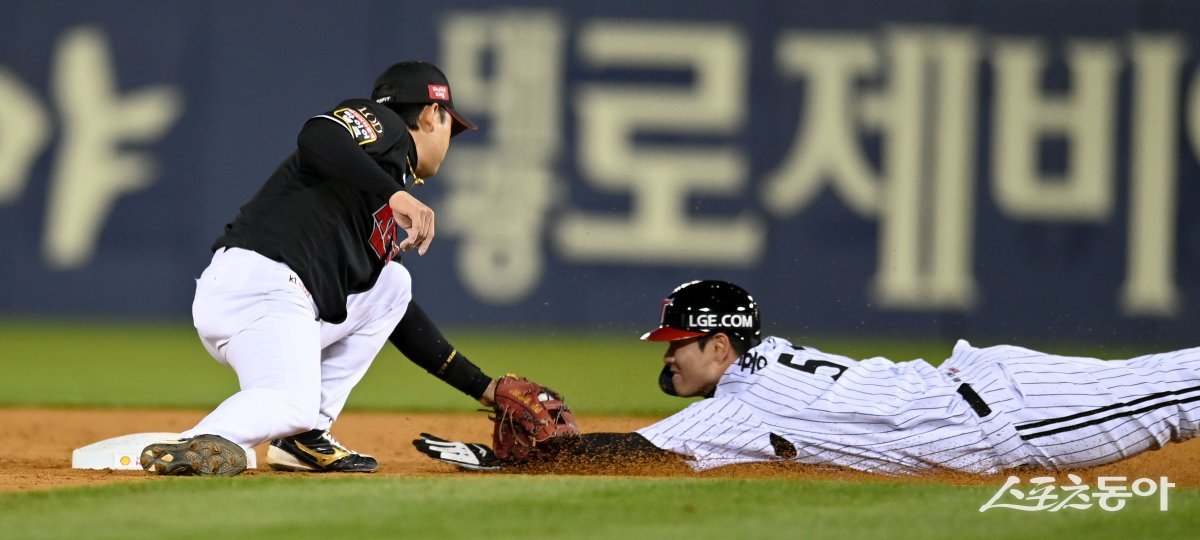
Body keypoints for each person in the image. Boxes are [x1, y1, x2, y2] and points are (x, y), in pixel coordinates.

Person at [415, 279, 1200, 475]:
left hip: (998, 417)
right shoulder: (772, 355)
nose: (667, 357)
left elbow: (637, 454)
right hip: (985, 383)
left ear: (721, 346)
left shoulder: (748, 402)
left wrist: (512, 459)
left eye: (681, 343)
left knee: (1179, 394)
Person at [142, 60, 506, 476]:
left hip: (275, 300)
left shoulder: (375, 182)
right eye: (449, 127)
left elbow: (399, 317)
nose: (449, 140)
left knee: (393, 284)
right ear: (430, 114)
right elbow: (319, 135)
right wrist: (395, 194)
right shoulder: (387, 126)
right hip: (262, 285)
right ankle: (199, 442)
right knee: (290, 402)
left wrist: (484, 388)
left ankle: (304, 439)